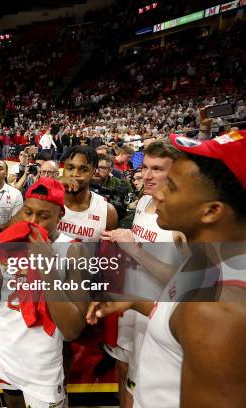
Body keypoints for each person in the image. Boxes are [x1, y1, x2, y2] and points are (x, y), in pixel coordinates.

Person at [87, 131, 246, 408]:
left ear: (211, 211)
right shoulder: (209, 259)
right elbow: (179, 325)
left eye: (171, 186)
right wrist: (136, 302)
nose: (157, 193)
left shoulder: (219, 310)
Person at [0, 177, 90, 408]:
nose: (32, 222)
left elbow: (73, 329)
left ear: (60, 215)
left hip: (43, 368)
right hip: (6, 355)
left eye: (43, 216)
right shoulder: (12, 242)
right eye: (28, 213)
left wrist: (45, 264)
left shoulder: (73, 251)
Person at [99, 141, 186, 408]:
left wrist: (133, 248)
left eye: (157, 169)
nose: (147, 176)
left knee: (150, 388)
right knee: (125, 374)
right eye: (144, 167)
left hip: (159, 314)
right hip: (132, 304)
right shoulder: (146, 199)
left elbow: (184, 284)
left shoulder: (184, 214)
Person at [57, 146, 118, 241]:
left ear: (94, 172)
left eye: (83, 170)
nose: (75, 174)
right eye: (70, 168)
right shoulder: (47, 200)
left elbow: (106, 252)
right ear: (63, 169)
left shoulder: (108, 212)